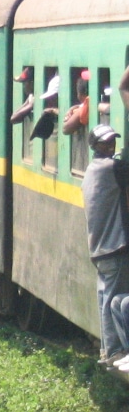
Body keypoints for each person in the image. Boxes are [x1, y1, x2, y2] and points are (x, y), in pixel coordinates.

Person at [81, 122, 129, 370]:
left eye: (113, 141)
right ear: (95, 146)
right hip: (115, 246)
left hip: (99, 247)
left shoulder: (91, 169)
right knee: (114, 299)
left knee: (105, 299)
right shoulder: (112, 167)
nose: (110, 145)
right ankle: (114, 351)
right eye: (105, 142)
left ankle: (107, 350)